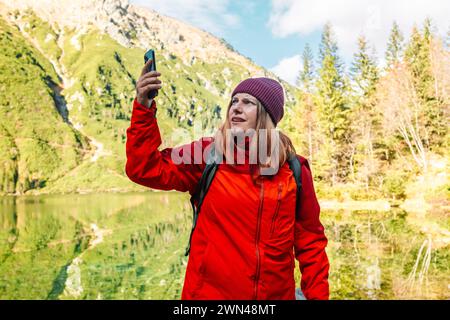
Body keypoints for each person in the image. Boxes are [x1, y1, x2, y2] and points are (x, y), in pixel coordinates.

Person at [125, 59, 330, 300]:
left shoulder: (294, 169)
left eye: (248, 102)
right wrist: (143, 105)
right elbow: (144, 168)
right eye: (234, 101)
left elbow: (311, 243)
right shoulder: (206, 156)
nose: (236, 107)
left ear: (267, 115)